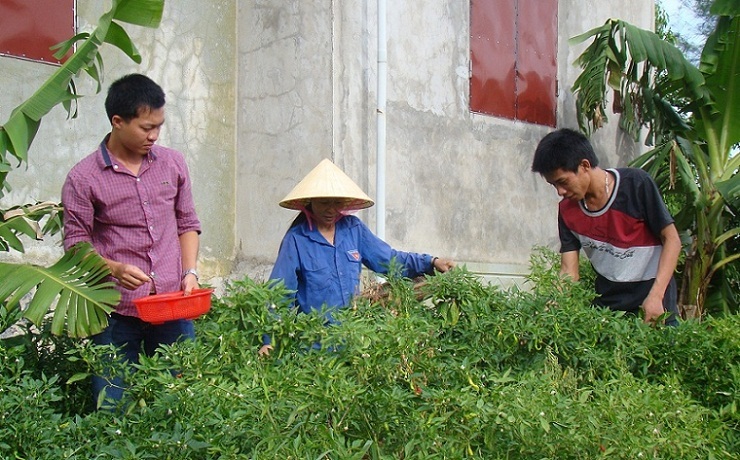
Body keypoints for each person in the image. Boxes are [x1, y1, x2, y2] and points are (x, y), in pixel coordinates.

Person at [62, 74, 202, 406]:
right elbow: (76, 244)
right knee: (113, 403)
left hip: (172, 303)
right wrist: (113, 268)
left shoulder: (173, 163)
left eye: (159, 126)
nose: (154, 136)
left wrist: (190, 273)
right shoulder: (83, 179)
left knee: (179, 400)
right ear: (117, 121)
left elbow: (187, 223)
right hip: (116, 309)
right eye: (145, 128)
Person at [259, 158, 455, 356]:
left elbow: (390, 260)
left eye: (336, 203)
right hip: (313, 346)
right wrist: (270, 341)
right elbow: (279, 294)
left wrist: (431, 262)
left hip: (354, 342)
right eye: (324, 203)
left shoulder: (353, 229)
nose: (331, 209)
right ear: (310, 203)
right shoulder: (297, 240)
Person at [531, 128, 681, 325]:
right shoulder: (567, 211)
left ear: (584, 165)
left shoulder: (635, 185)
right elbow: (569, 271)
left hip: (653, 302)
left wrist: (656, 296)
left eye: (563, 182)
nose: (560, 191)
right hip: (609, 309)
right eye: (554, 185)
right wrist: (553, 306)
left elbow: (672, 239)